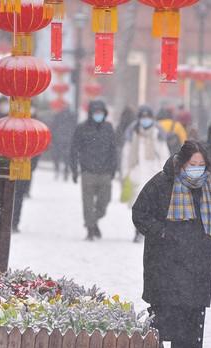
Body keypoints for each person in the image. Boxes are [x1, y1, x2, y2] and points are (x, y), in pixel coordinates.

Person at [132, 142, 211, 348]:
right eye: (192, 165)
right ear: (181, 163)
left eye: (201, 165)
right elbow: (139, 213)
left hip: (197, 262)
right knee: (163, 314)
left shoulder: (209, 187)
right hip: (164, 262)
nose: (197, 169)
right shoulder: (162, 183)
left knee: (193, 314)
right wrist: (162, 232)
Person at [121, 106, 171, 242]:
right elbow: (126, 155)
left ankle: (149, 231)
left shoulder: (157, 134)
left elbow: (164, 156)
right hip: (136, 175)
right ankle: (137, 231)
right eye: (143, 117)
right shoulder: (133, 134)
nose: (145, 120)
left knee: (153, 206)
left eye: (148, 117)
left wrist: (164, 175)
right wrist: (126, 172)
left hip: (154, 175)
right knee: (138, 207)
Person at [70, 100, 118, 241]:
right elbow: (74, 150)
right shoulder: (81, 128)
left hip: (105, 172)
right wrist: (74, 170)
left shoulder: (108, 128)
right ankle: (90, 229)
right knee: (87, 203)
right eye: (96, 112)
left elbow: (113, 150)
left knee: (104, 203)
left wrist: (114, 168)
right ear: (90, 113)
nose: (98, 115)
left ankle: (93, 221)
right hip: (88, 171)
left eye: (101, 113)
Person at [49, 107, 77, 181]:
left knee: (57, 157)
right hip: (67, 141)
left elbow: (53, 128)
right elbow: (75, 129)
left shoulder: (58, 117)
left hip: (59, 140)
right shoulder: (72, 117)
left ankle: (58, 170)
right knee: (66, 158)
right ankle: (65, 171)